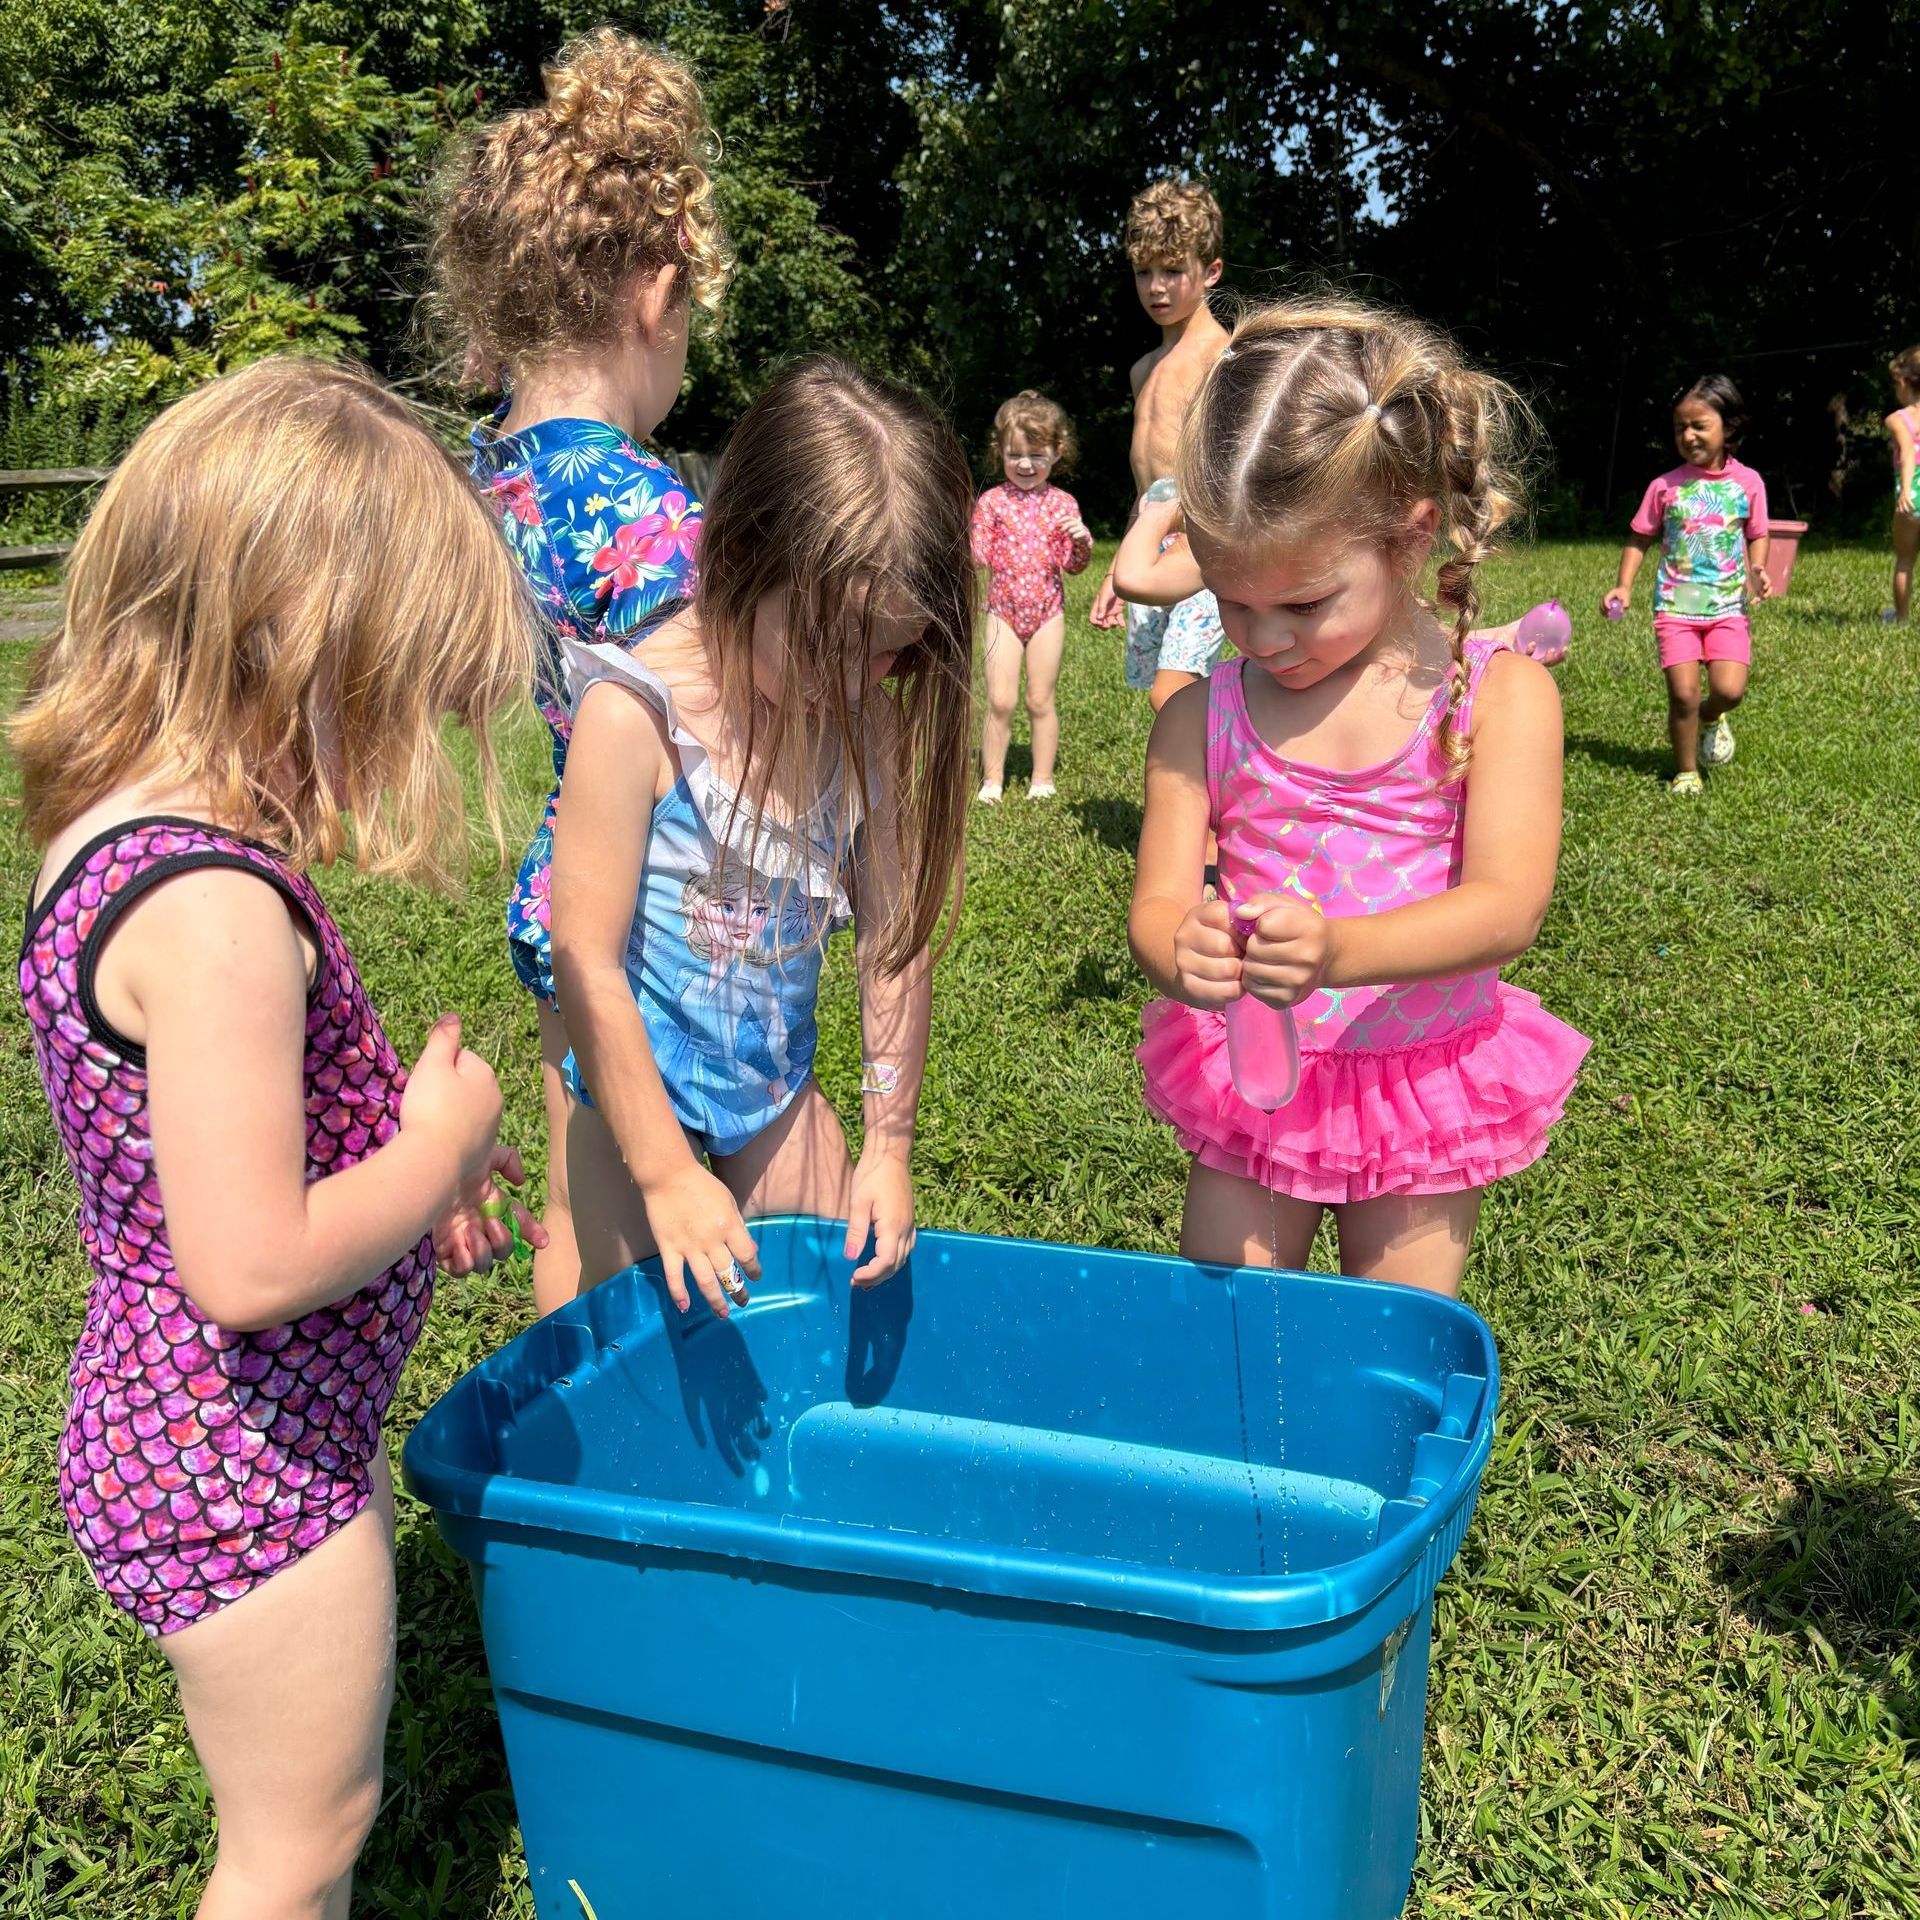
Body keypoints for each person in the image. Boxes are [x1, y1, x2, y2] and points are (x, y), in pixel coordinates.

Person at [10, 357, 544, 1919]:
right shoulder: (220, 910)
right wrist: (434, 1152)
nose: (404, 756)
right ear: (294, 657)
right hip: (242, 1473)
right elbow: (247, 1263)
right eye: (394, 707)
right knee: (299, 1849)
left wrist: (391, 1177)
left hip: (198, 1435)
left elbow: (229, 1174)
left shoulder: (119, 839)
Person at [1128, 299, 1588, 1296]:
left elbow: (1509, 907)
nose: (1261, 638)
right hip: (1259, 1077)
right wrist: (1183, 952)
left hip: (1420, 1077)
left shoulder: (1492, 694)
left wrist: (1341, 950)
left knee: (1390, 1345)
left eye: (1301, 604)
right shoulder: (1199, 718)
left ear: (1411, 535)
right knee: (1231, 1327)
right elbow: (1157, 911)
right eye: (1228, 601)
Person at [549, 356, 974, 1314]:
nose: (862, 677)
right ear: (741, 560)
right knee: (632, 1337)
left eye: (892, 650)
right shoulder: (636, 714)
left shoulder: (867, 724)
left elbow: (891, 946)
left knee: (835, 1292)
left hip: (769, 1091)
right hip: (633, 1101)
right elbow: (586, 958)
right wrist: (664, 1175)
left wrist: (889, 1141)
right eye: (835, 645)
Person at [427, 25, 731, 1312]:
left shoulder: (481, 479)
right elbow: (721, 722)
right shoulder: (656, 517)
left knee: (574, 1196)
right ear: (657, 294)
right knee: (703, 1173)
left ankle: (570, 1465)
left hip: (563, 880)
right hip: (666, 896)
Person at [1086, 178, 1233, 709]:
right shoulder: (1142, 370)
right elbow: (1147, 485)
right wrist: (1116, 568)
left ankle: (1230, 784)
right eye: (1144, 272)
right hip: (1152, 541)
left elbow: (1235, 468)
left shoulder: (1225, 358)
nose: (1156, 287)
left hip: (1204, 539)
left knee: (1174, 691)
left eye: (1173, 270)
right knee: (1160, 692)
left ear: (1210, 271)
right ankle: (1189, 789)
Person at [1604, 375, 1771, 794]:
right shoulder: (1664, 487)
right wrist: (1624, 586)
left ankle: (1710, 716)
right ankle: (1686, 771)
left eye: (1700, 425)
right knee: (1682, 694)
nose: (1689, 435)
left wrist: (1759, 569)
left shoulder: (1748, 483)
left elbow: (1758, 533)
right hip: (1675, 607)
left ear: (1728, 427)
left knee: (1730, 690)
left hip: (1728, 607)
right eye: (1681, 427)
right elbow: (1639, 538)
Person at [971, 390, 1093, 801]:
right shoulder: (991, 502)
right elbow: (977, 555)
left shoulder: (1063, 503)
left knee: (1040, 699)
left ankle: (1042, 780)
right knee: (1000, 701)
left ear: (1057, 453)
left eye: (1036, 455)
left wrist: (1081, 542)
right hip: (1001, 612)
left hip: (1047, 613)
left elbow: (1073, 566)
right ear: (1000, 451)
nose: (1025, 464)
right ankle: (992, 781)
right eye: (1014, 454)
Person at [1884, 345, 1920, 625]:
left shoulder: (1898, 419)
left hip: (1913, 497)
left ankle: (1902, 618)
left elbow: (1908, 452)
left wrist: (1906, 490)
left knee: (1905, 561)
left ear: (1905, 383)